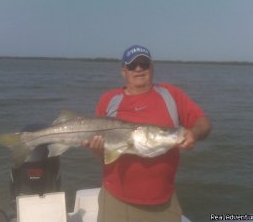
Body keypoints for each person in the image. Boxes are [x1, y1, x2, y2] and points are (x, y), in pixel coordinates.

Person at [84, 45, 211, 222]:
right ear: (123, 71)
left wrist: (194, 134)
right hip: (116, 201)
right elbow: (104, 154)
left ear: (152, 68)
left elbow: (203, 122)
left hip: (163, 204)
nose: (138, 69)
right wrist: (96, 149)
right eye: (132, 65)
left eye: (143, 63)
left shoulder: (170, 94)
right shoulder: (109, 99)